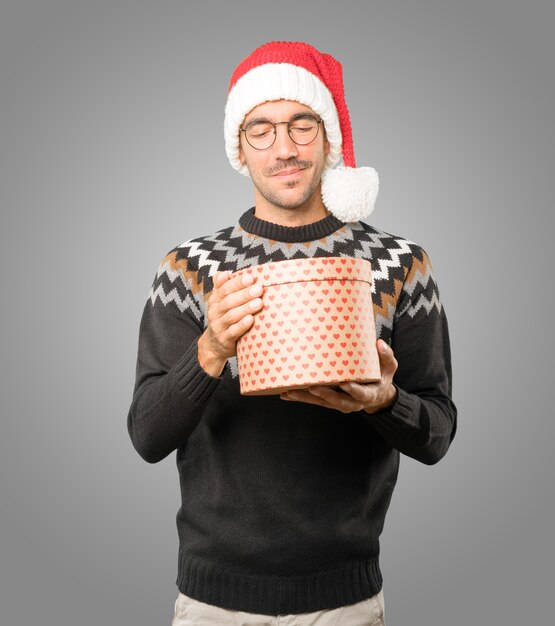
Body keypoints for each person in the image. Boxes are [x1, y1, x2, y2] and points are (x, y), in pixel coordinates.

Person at [127, 41, 457, 626]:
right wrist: (209, 350)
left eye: (302, 124)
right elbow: (148, 435)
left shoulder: (399, 262)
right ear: (239, 146)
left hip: (347, 600)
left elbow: (437, 435)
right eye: (262, 129)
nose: (284, 148)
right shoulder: (190, 268)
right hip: (213, 602)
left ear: (328, 136)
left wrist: (385, 402)